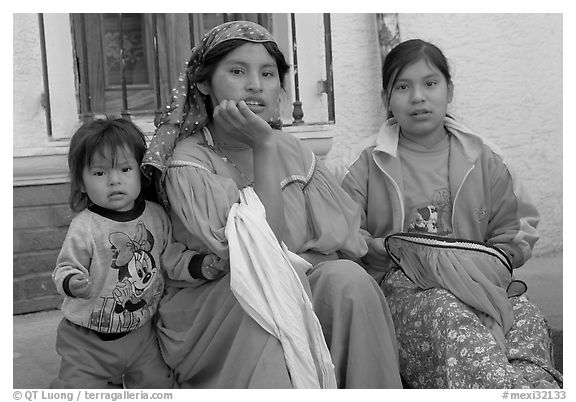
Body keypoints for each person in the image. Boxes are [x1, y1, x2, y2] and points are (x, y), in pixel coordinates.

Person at [141, 20, 402, 389]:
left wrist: (305, 263)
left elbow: (341, 245)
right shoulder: (190, 162)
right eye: (236, 71)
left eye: (268, 73)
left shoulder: (295, 151)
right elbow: (260, 257)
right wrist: (262, 147)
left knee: (349, 282)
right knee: (265, 303)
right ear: (203, 83)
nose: (255, 84)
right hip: (220, 302)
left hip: (295, 281)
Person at [340, 38, 563, 388]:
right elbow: (343, 233)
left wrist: (483, 275)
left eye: (430, 83)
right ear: (386, 99)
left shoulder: (485, 158)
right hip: (404, 291)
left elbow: (515, 231)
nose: (418, 97)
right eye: (403, 86)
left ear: (449, 90)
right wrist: (376, 248)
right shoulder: (365, 163)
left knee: (526, 318)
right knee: (449, 316)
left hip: (482, 283)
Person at [51, 117, 221, 388]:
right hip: (87, 340)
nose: (114, 180)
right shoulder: (85, 226)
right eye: (99, 173)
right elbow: (65, 267)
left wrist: (200, 265)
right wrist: (73, 282)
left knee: (158, 386)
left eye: (125, 169)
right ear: (81, 183)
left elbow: (171, 257)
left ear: (140, 172)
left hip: (142, 335)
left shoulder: (156, 216)